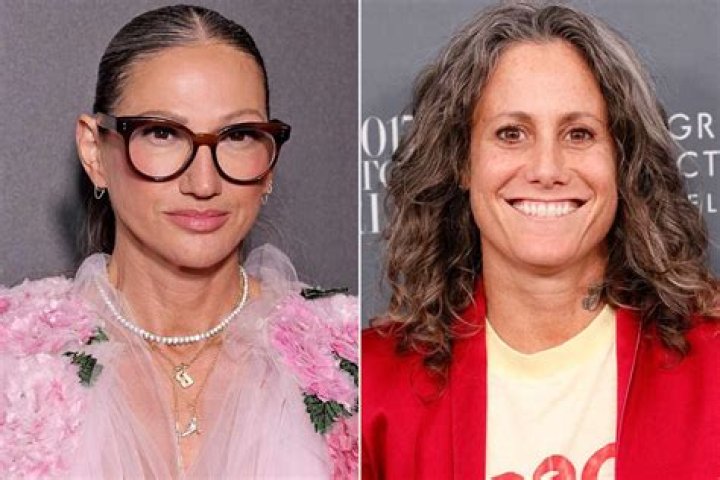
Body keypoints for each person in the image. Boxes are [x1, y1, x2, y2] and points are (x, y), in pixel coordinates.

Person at [362, 2, 719, 478]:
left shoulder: (713, 366)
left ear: (622, 162)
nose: (547, 169)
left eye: (579, 134)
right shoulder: (371, 390)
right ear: (463, 162)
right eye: (511, 133)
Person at [0, 5, 357, 478]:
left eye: (238, 136)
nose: (203, 182)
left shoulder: (353, 361)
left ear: (269, 162)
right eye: (163, 133)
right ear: (94, 151)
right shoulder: (10, 359)